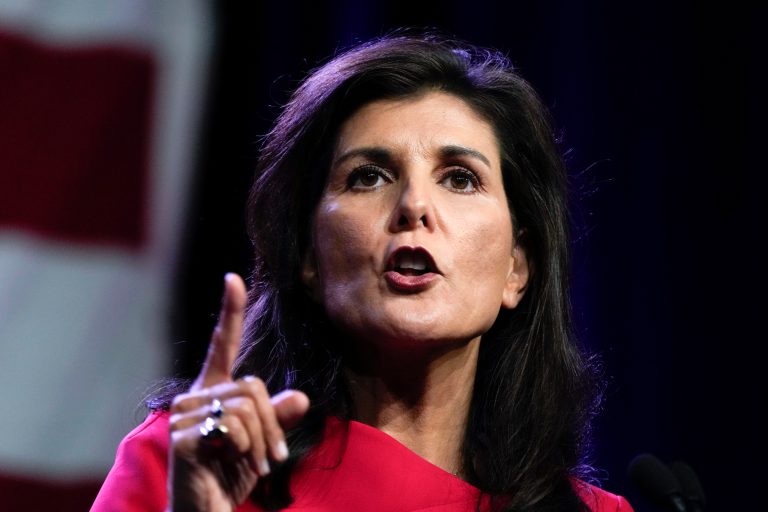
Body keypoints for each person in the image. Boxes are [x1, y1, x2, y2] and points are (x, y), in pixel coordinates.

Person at [92, 34, 633, 511]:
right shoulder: (190, 461)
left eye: (461, 179)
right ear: (307, 255)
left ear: (518, 268)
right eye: (369, 176)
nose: (414, 205)